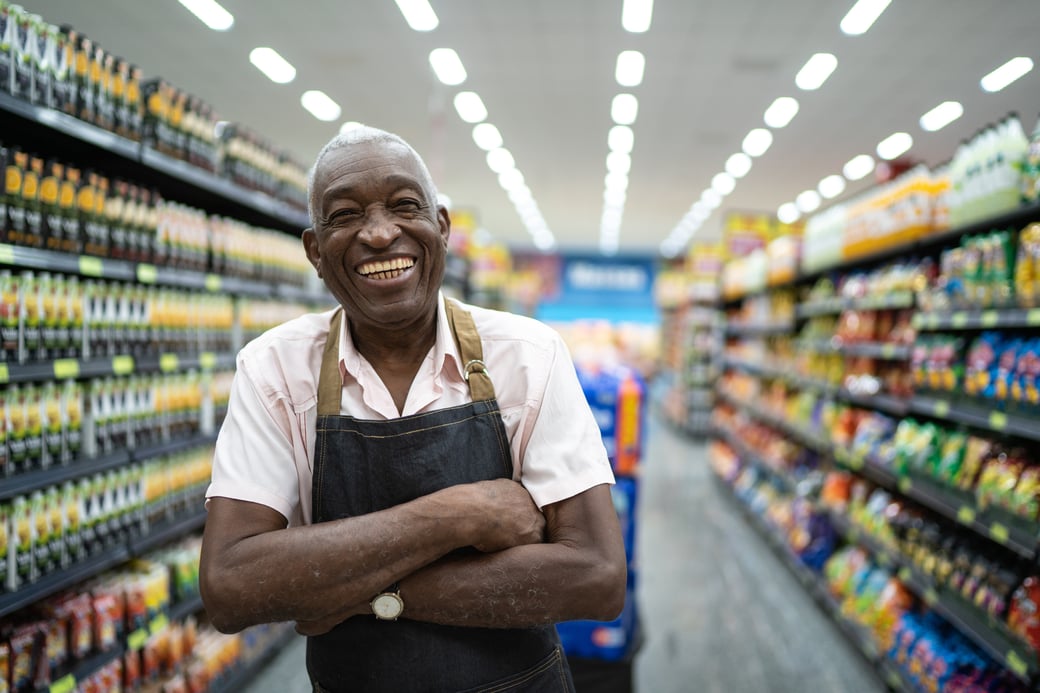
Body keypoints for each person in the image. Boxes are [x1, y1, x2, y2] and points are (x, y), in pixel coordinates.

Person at [199, 125, 627, 693]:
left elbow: (596, 578)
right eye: (345, 215)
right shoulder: (275, 369)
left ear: (442, 228)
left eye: (404, 205)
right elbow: (231, 588)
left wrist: (364, 596)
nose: (379, 234)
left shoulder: (526, 356)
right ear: (314, 252)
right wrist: (459, 514)